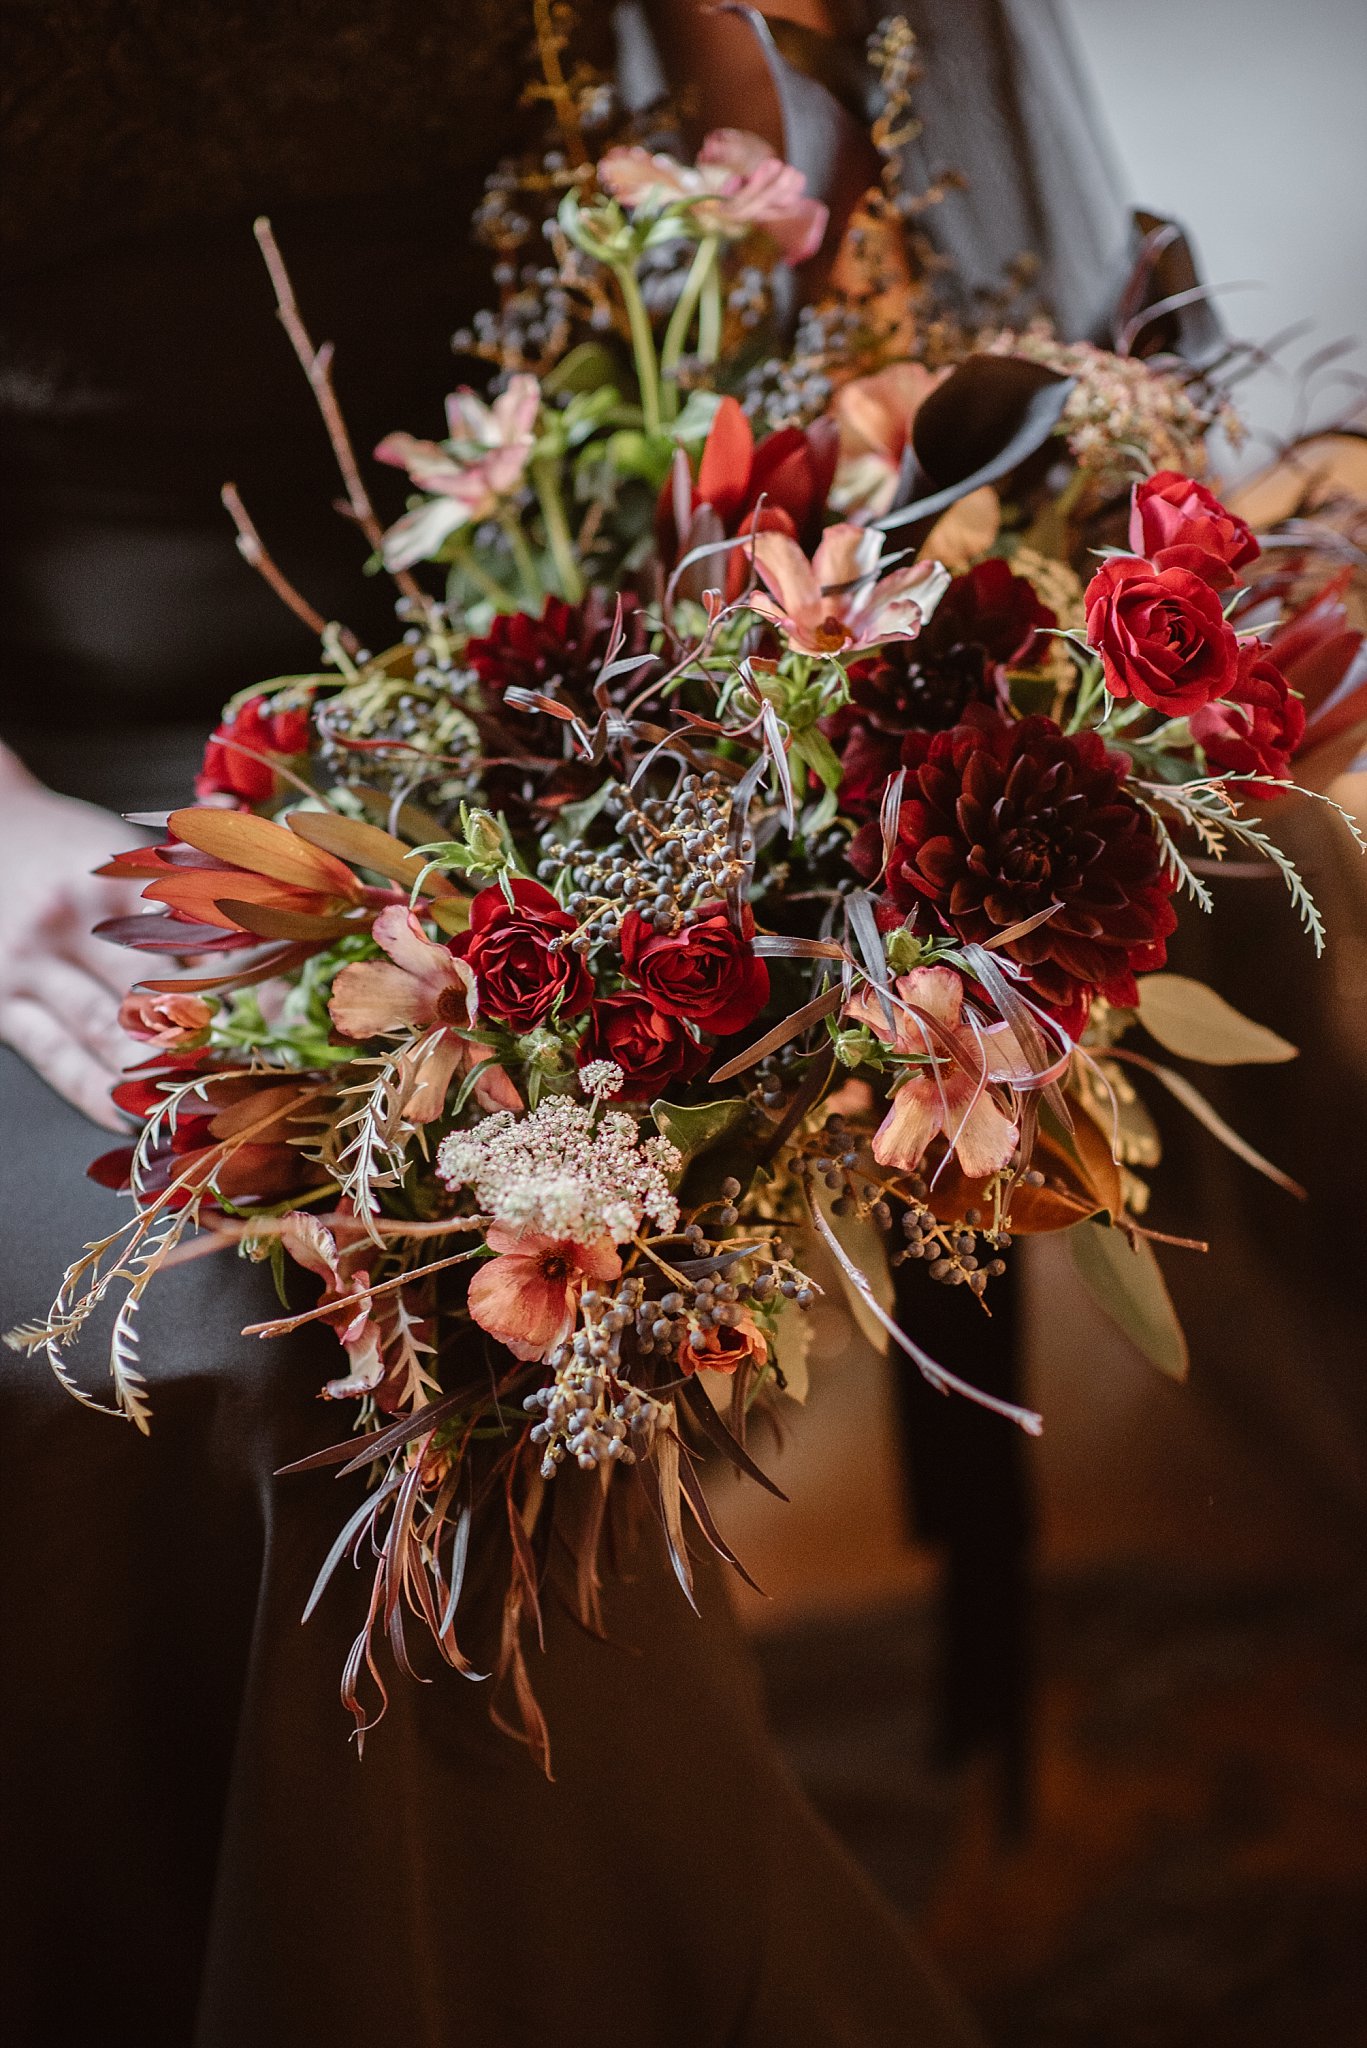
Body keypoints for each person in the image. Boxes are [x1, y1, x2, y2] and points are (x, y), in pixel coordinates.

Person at [0, 4, 1027, 2043]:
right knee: (182, 1340)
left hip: (506, 694)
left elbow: (761, 139)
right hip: (59, 797)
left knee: (463, 1307)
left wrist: (738, 627)